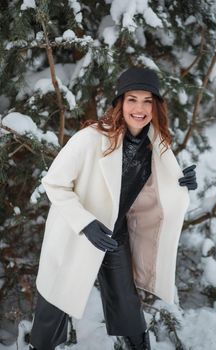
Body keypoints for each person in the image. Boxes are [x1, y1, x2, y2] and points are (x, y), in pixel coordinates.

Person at [29, 67, 197, 350]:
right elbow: (54, 183)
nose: (139, 108)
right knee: (54, 304)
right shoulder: (90, 139)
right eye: (132, 99)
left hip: (114, 234)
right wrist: (85, 223)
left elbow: (154, 191)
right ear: (120, 103)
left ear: (156, 106)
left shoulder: (157, 145)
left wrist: (182, 183)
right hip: (77, 232)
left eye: (147, 101)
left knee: (126, 302)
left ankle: (138, 345)